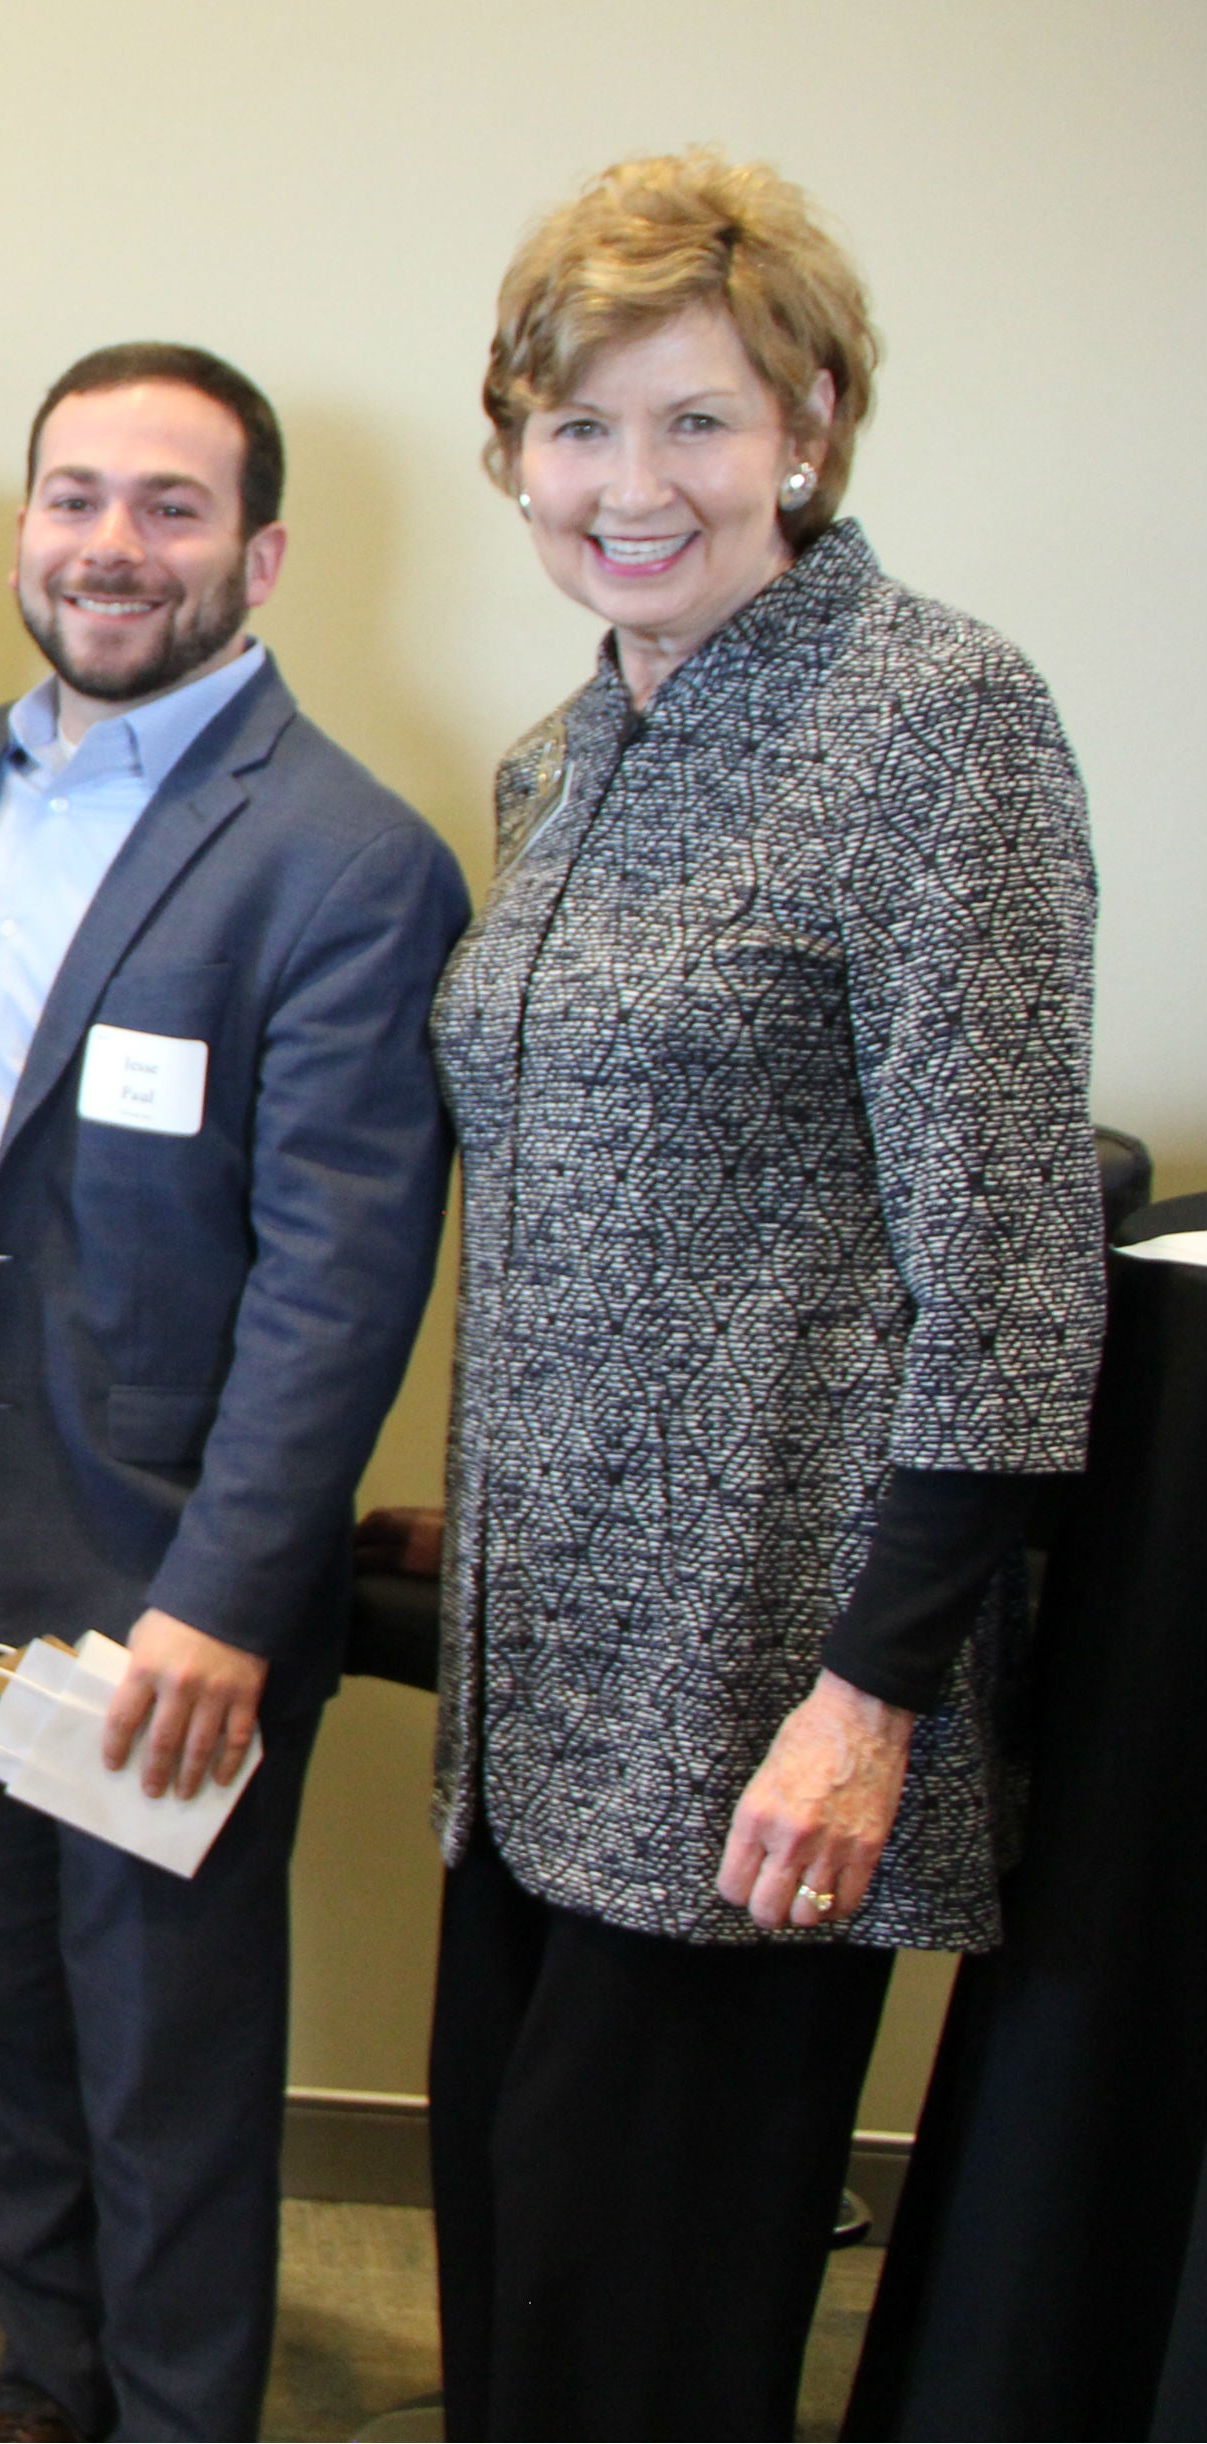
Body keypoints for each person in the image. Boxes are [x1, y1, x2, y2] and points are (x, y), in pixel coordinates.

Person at [428, 151, 1104, 2439]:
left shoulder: (934, 723)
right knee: (519, 2288)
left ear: (809, 424)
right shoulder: (563, 753)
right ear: (511, 449)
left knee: (639, 2339)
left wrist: (865, 1696)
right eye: (578, 425)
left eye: (695, 420)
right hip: (528, 1697)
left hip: (752, 1696)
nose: (631, 484)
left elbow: (1003, 1269)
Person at [0, 345, 467, 2442]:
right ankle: (49, 2381)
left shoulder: (340, 863)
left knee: (157, 2056)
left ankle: (178, 2416)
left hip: (149, 1590)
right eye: (73, 496)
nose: (110, 546)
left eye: (168, 507)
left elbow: (335, 1285)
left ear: (257, 553)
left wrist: (215, 1600)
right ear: (21, 525)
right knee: (3, 2020)